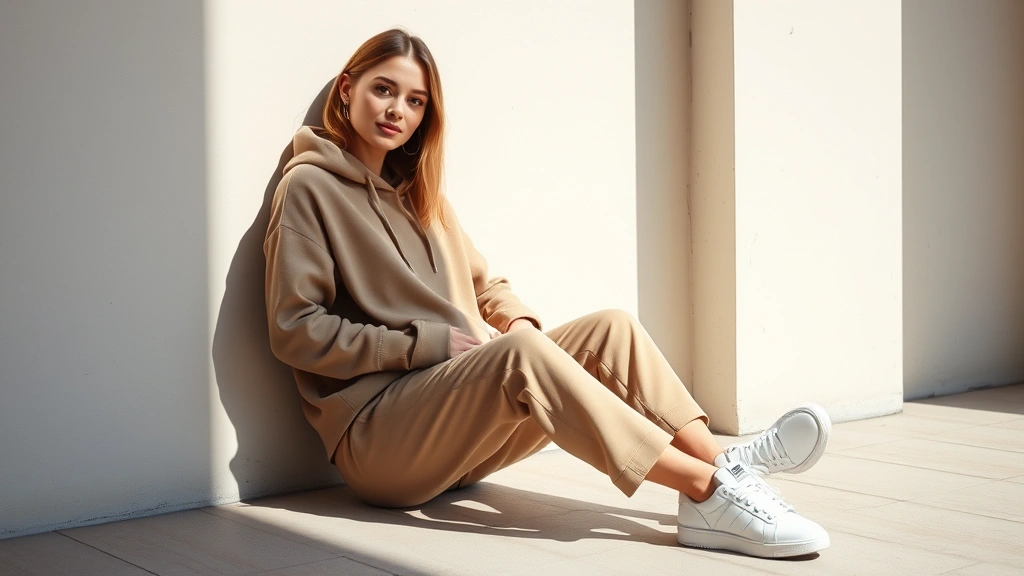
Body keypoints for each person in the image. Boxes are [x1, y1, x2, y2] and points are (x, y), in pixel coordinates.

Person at [264, 28, 832, 559]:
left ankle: (724, 461)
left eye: (415, 101)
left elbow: (487, 286)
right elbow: (295, 329)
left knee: (610, 327)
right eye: (383, 89)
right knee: (523, 358)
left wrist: (520, 325)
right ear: (347, 90)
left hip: (458, 435)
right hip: (381, 443)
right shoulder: (308, 188)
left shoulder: (421, 197)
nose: (397, 110)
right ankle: (708, 492)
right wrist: (424, 345)